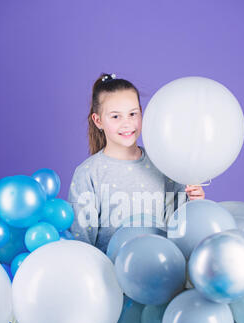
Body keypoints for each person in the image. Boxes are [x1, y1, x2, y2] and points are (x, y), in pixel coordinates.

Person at [68, 73, 205, 254]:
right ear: (98, 120)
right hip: (108, 275)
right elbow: (80, 242)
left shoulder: (163, 163)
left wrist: (195, 202)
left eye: (133, 114)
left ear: (141, 111)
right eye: (116, 117)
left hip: (160, 271)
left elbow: (180, 227)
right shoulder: (88, 173)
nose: (127, 123)